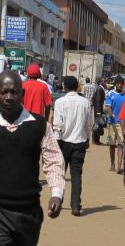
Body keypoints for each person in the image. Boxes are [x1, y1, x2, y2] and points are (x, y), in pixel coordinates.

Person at [0, 70, 65, 245]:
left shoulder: (40, 125)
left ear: (22, 94)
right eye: (3, 92)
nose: (8, 97)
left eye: (13, 92)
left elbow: (53, 160)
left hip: (29, 213)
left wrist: (57, 194)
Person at [53, 76, 92, 216]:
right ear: (77, 87)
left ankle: (57, 201)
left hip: (63, 142)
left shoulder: (59, 102)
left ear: (64, 87)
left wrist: (56, 143)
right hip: (80, 142)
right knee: (76, 175)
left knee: (60, 174)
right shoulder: (85, 103)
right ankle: (75, 205)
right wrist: (88, 138)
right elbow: (89, 124)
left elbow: (57, 125)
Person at [105, 76, 125, 174]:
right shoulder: (111, 94)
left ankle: (119, 166)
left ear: (123, 85)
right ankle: (112, 164)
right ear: (115, 84)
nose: (119, 85)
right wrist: (110, 113)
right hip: (111, 123)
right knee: (112, 145)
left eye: (121, 83)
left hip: (121, 124)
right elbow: (108, 106)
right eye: (118, 83)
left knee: (120, 145)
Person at [92, 77, 106, 145]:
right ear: (101, 82)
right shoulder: (99, 89)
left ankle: (96, 140)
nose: (105, 82)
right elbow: (97, 100)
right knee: (97, 125)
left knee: (98, 125)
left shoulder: (100, 88)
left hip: (99, 109)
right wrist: (98, 112)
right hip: (98, 110)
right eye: (103, 81)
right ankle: (95, 140)